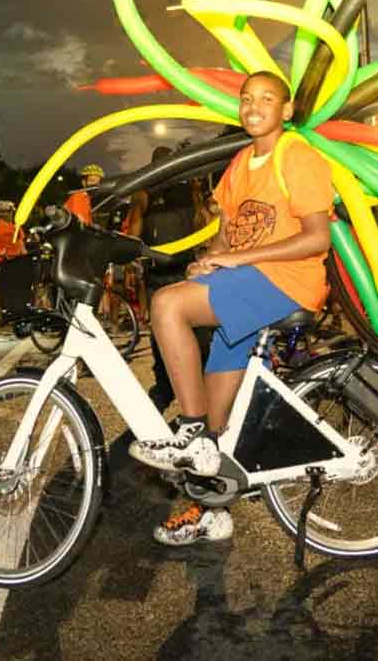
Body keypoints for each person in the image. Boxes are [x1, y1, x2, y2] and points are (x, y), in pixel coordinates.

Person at [129, 71, 333, 546]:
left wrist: (235, 258)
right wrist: (209, 260)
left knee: (166, 306)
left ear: (286, 110)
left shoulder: (297, 156)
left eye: (267, 98)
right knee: (221, 424)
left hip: (285, 282)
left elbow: (317, 237)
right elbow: (229, 231)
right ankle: (211, 511)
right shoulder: (242, 162)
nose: (254, 105)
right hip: (249, 281)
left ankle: (190, 433)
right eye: (246, 98)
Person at [134, 146, 213, 411]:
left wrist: (196, 192)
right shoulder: (145, 192)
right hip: (158, 274)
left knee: (200, 338)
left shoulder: (187, 190)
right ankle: (164, 392)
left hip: (185, 271)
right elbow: (134, 223)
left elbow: (203, 224)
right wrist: (134, 251)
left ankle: (203, 400)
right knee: (162, 342)